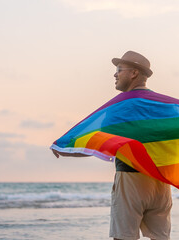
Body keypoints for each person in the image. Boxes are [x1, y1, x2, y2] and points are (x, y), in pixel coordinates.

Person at [52, 51, 172, 240]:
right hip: (161, 183)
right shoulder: (165, 106)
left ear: (133, 73)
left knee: (123, 237)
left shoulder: (120, 107)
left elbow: (99, 143)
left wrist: (67, 148)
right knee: (161, 238)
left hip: (131, 180)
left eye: (119, 69)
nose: (115, 74)